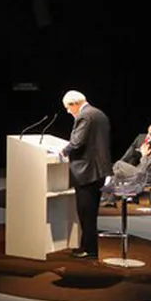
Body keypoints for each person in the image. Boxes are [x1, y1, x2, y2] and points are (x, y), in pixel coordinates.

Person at [58, 90, 111, 260]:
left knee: (86, 213)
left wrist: (63, 151)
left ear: (75, 104)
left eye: (68, 107)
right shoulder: (99, 114)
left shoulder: (85, 116)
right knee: (91, 213)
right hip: (98, 170)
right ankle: (88, 247)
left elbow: (77, 142)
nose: (68, 111)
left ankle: (89, 250)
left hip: (86, 171)